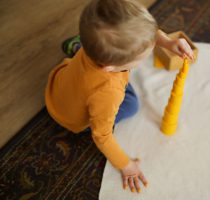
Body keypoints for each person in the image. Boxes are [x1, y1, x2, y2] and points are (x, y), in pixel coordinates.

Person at [45, 0, 194, 193]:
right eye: (144, 55)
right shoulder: (109, 92)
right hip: (71, 119)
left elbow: (142, 34)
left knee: (98, 55)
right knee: (132, 104)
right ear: (110, 68)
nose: (149, 52)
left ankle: (77, 46)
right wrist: (126, 165)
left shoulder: (95, 46)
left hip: (59, 83)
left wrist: (166, 41)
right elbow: (101, 136)